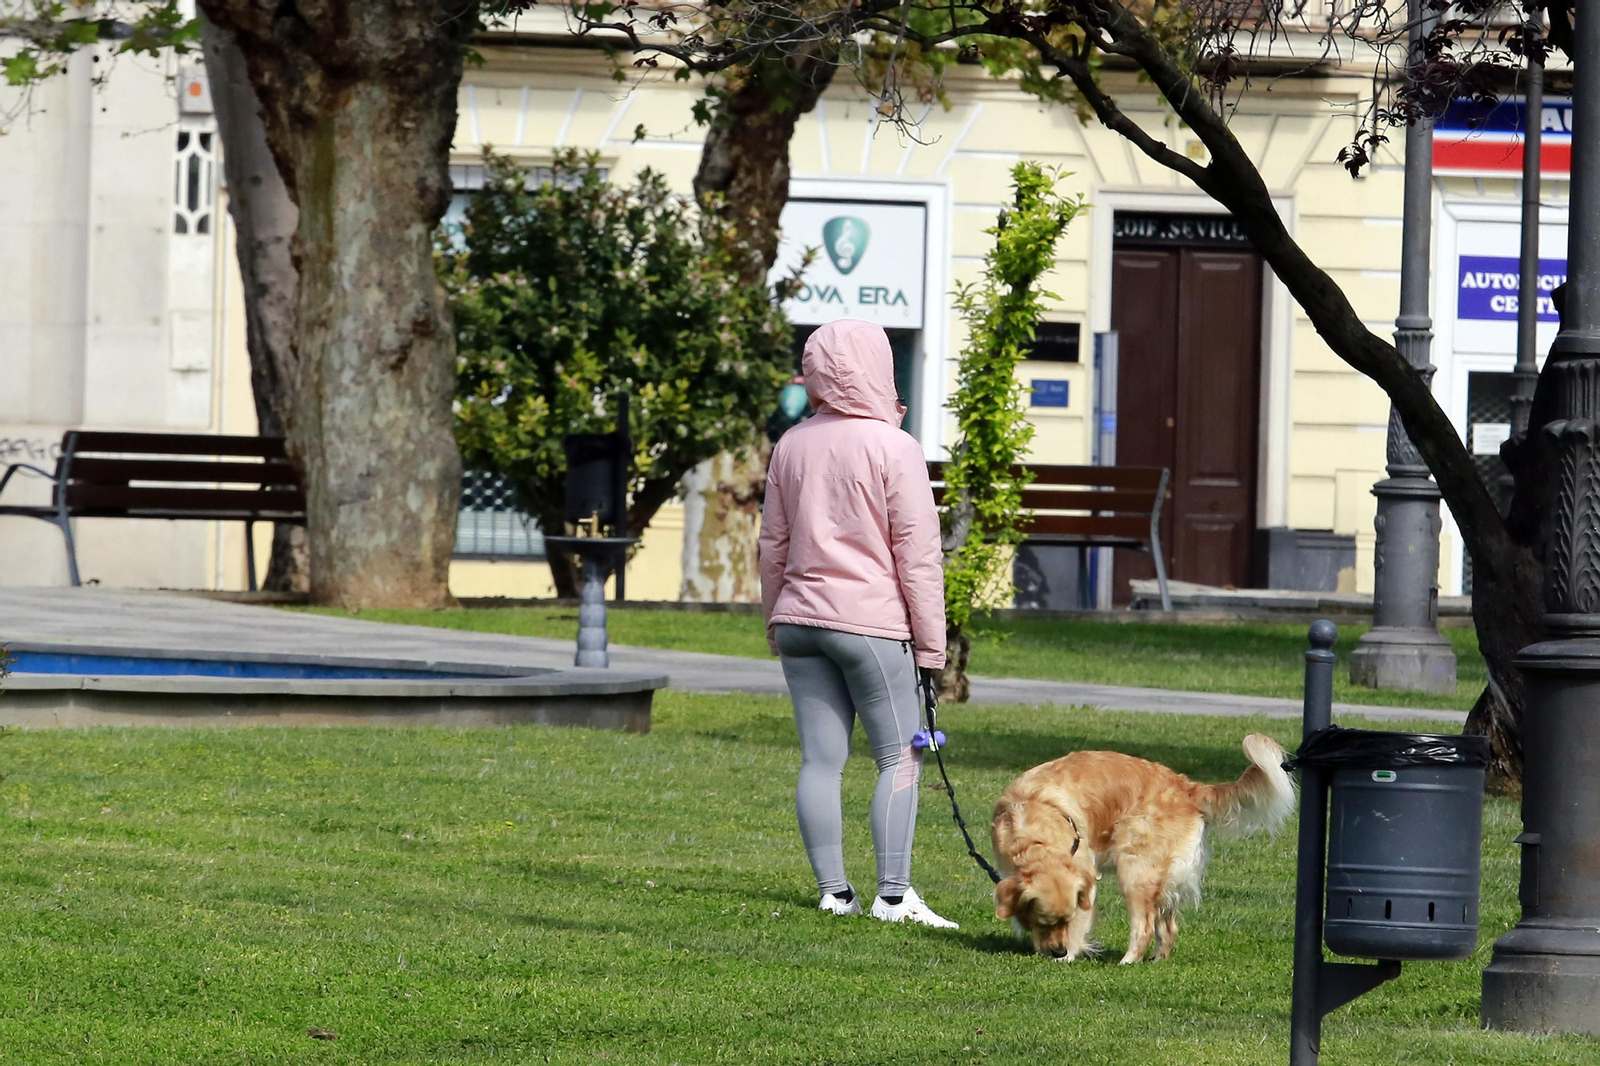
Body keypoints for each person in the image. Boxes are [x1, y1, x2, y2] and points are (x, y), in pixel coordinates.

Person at [758, 318, 956, 929]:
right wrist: (931, 648)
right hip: (869, 626)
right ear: (879, 369)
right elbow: (917, 557)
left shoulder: (790, 444)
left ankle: (832, 892)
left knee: (821, 760)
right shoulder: (895, 447)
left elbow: (772, 544)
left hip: (799, 619)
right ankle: (894, 897)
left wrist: (775, 619)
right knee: (901, 756)